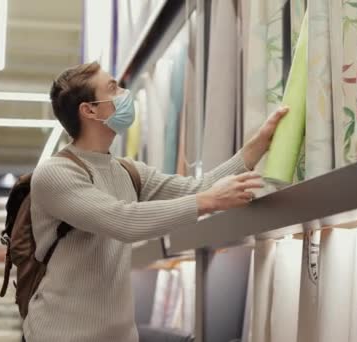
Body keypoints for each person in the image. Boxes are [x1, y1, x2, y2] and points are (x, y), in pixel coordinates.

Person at [23, 61, 288, 342]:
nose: (125, 93)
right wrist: (208, 201)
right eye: (113, 88)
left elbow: (196, 188)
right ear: (89, 110)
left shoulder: (127, 171)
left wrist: (258, 144)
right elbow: (123, 220)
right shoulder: (55, 174)